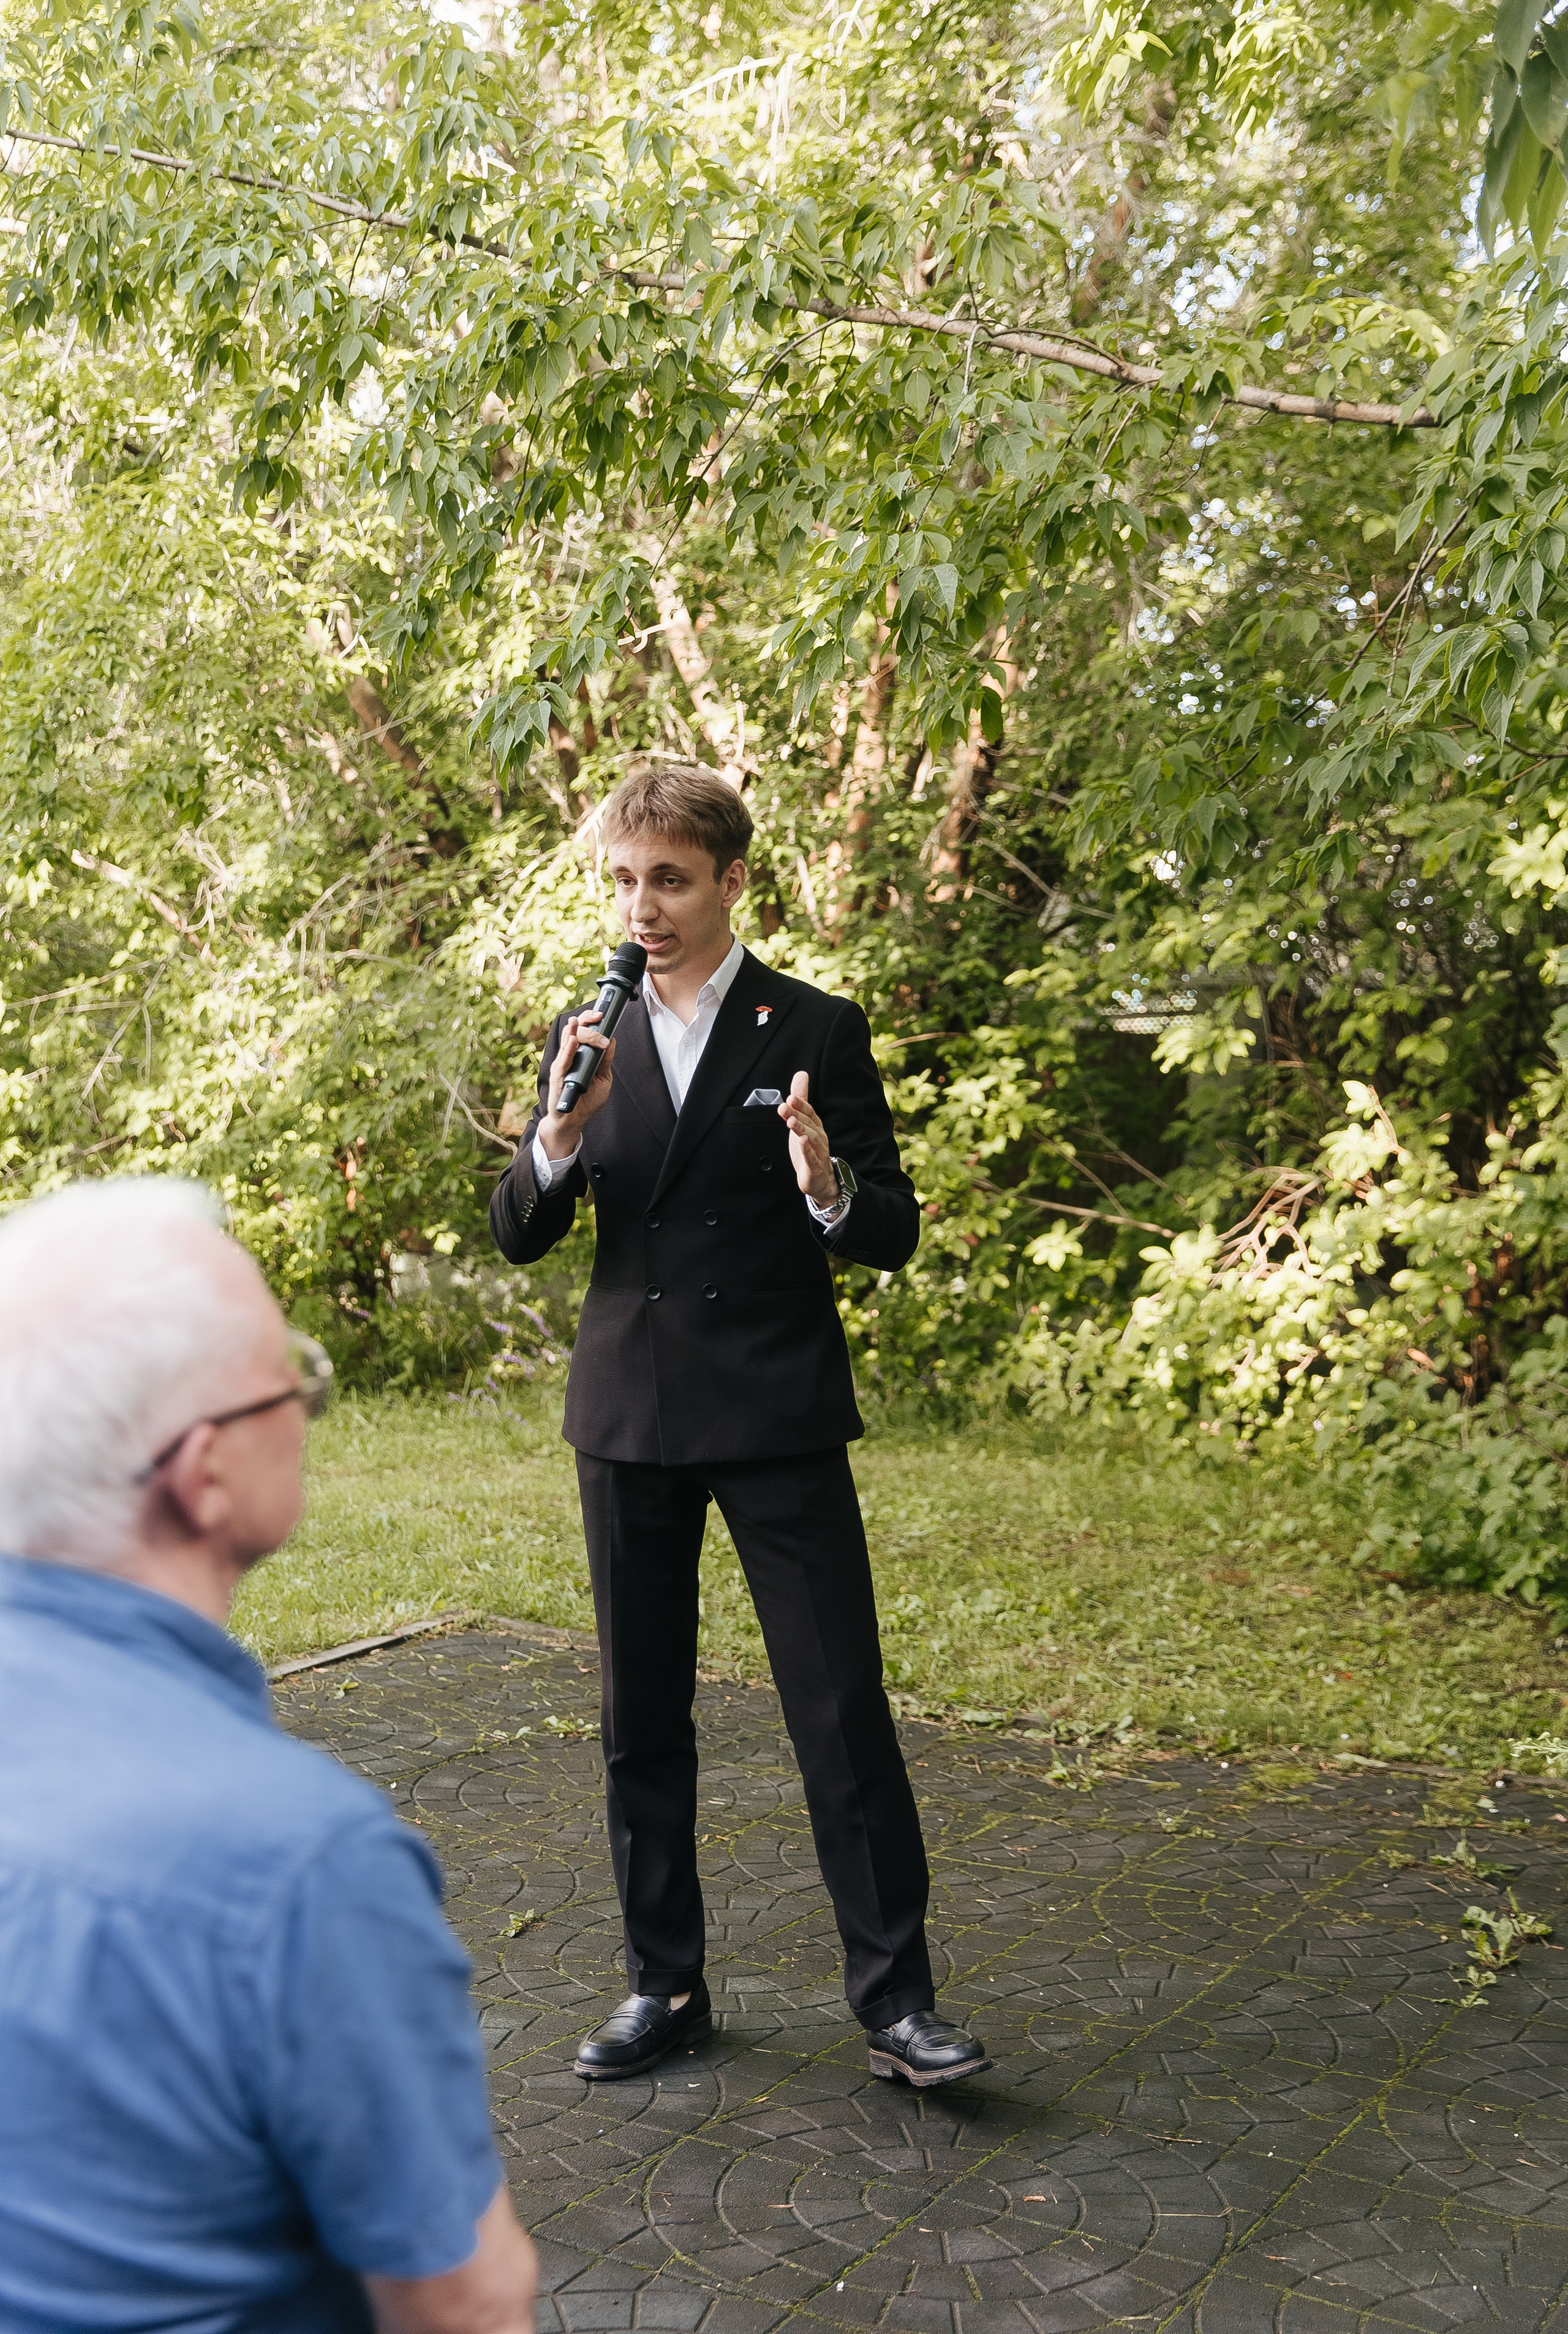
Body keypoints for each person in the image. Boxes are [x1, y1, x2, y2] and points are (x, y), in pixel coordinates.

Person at [489, 765, 987, 2090]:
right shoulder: (585, 1034)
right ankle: (663, 1986)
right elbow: (519, 1230)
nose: (640, 906)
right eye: (623, 880)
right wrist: (556, 1138)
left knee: (840, 1711)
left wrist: (828, 1188)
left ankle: (897, 2008)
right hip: (627, 1415)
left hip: (774, 1410)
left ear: (730, 881)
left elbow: (893, 1229)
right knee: (639, 1718)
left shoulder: (813, 1025)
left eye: (668, 878)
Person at [0, 1177, 537, 2334]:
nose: (303, 1404)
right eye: (285, 1381)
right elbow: (465, 2305)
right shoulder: (305, 1866)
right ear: (202, 1475)